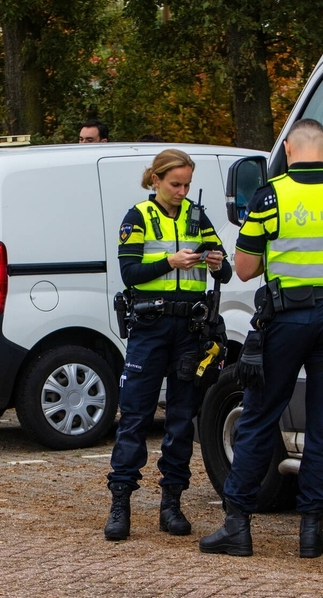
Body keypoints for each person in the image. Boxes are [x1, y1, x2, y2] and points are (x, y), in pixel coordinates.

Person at [199, 119, 323, 558]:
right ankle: (311, 532)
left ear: (287, 148)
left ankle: (237, 526)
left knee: (260, 416)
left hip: (286, 318)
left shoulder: (270, 194)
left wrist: (287, 260)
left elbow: (243, 268)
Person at [104, 149, 233, 541]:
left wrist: (215, 263)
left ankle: (171, 505)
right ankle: (120, 503)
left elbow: (224, 268)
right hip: (150, 327)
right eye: (175, 184)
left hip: (189, 331)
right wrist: (170, 264)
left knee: (181, 419)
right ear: (155, 180)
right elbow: (130, 272)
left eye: (187, 184)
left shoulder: (197, 216)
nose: (182, 191)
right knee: (136, 417)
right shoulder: (138, 217)